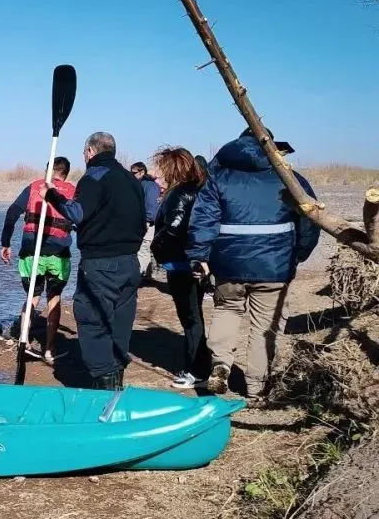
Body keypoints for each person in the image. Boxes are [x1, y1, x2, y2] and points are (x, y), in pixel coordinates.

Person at [186, 128, 319, 400]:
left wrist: (199, 256)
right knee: (264, 326)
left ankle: (221, 364)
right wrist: (298, 254)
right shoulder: (290, 179)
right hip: (274, 266)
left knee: (227, 310)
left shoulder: (218, 177)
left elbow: (203, 219)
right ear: (272, 146)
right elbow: (309, 220)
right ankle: (256, 387)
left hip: (228, 264)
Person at [42, 132, 147, 390]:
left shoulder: (94, 176)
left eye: (84, 153)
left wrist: (52, 195)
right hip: (130, 263)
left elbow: (77, 212)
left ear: (90, 151)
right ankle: (115, 379)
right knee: (120, 322)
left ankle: (105, 384)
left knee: (92, 319)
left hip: (101, 263)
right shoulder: (132, 180)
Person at [0, 157, 75, 365]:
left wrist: (5, 243)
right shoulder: (72, 191)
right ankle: (49, 350)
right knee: (54, 297)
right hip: (58, 254)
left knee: (32, 296)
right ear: (66, 172)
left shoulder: (34, 187)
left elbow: (12, 213)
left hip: (31, 253)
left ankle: (24, 342)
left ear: (47, 170)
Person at [149, 147, 213, 389]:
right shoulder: (197, 190)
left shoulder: (179, 193)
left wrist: (156, 246)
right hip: (192, 261)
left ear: (172, 170)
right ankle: (199, 366)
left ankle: (197, 371)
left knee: (190, 318)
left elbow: (174, 227)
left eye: (162, 172)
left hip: (181, 263)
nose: (158, 177)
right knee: (194, 316)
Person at [130, 161, 162, 280]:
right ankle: (147, 275)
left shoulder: (150, 186)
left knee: (143, 249)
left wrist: (148, 221)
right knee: (143, 249)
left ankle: (140, 276)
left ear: (142, 172)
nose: (132, 175)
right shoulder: (139, 184)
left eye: (134, 173)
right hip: (139, 222)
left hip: (147, 223)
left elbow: (152, 205)